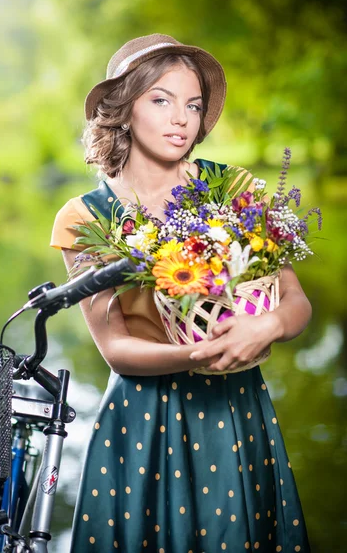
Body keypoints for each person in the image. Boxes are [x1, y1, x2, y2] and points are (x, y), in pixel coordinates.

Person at [51, 34, 311, 552]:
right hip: (143, 417)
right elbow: (116, 348)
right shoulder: (85, 217)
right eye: (161, 100)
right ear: (122, 109)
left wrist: (267, 324)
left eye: (192, 105)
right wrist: (203, 351)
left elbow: (297, 302)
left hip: (236, 407)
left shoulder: (233, 189)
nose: (181, 119)